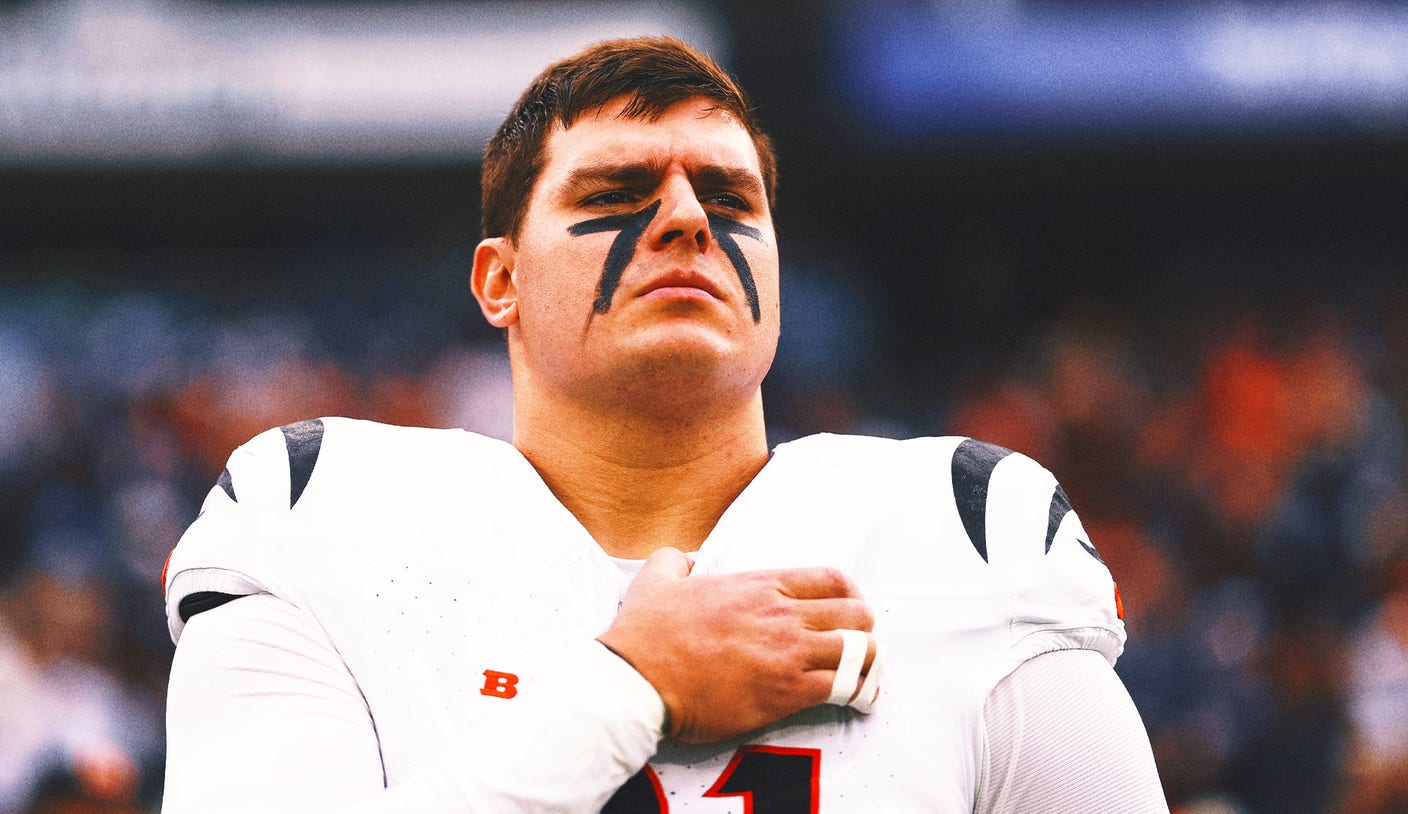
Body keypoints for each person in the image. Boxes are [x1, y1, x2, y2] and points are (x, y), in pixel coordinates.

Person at [161, 36, 1168, 812]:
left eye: (729, 197)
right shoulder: (314, 513)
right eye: (616, 192)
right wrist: (630, 687)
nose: (687, 220)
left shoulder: (968, 531)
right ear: (500, 281)